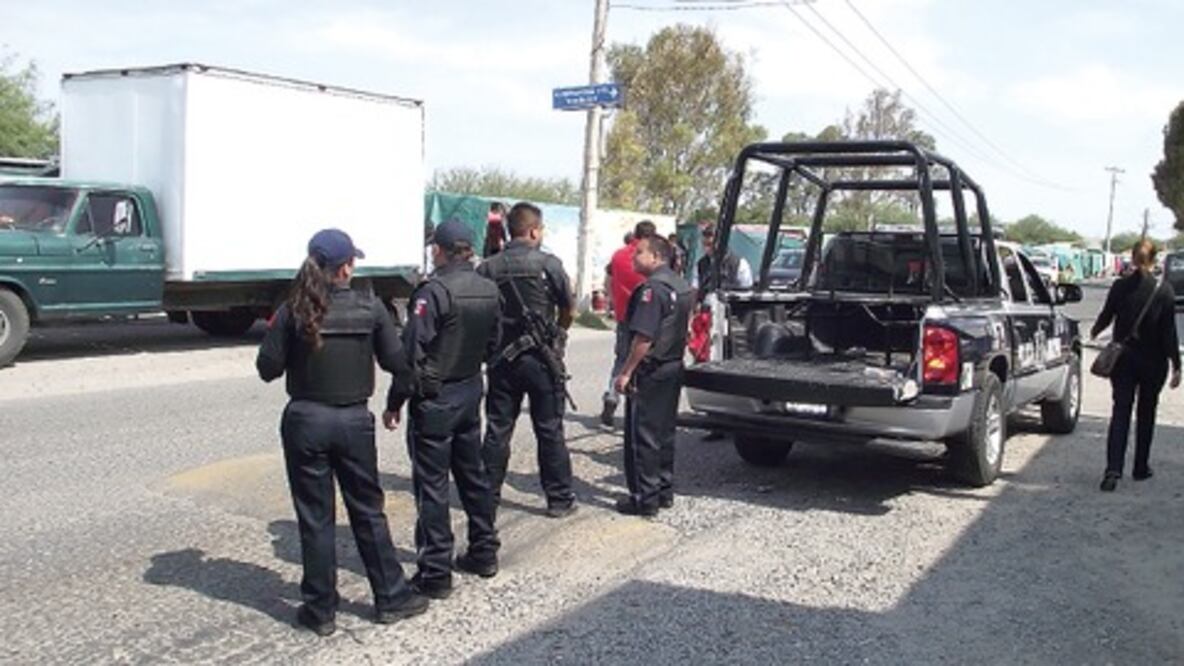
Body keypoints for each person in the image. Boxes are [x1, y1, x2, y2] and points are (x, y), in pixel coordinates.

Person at [256, 228, 428, 636]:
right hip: (353, 422)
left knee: (315, 518)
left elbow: (267, 369)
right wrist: (397, 401)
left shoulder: (292, 310)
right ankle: (390, 596)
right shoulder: (371, 309)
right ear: (346, 267)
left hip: (305, 421)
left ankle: (320, 610)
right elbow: (397, 363)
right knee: (368, 511)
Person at [384, 219, 502, 599]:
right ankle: (484, 551)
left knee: (432, 485)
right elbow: (495, 342)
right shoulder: (488, 288)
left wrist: (394, 403)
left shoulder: (432, 292)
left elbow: (411, 354)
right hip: (470, 389)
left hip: (435, 398)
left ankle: (436, 571)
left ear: (440, 250)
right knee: (473, 476)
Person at [478, 202, 578, 519]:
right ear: (534, 231)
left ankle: (487, 497)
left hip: (501, 361)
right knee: (549, 430)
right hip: (541, 360)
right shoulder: (549, 264)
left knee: (497, 430)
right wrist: (558, 334)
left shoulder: (488, 267)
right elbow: (569, 308)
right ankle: (559, 499)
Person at [1091, 240, 1182, 492]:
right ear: (1155, 261)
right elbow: (1169, 334)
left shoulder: (1120, 287)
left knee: (1120, 411)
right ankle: (1140, 467)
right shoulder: (1164, 291)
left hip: (1124, 361)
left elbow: (1106, 315)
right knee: (1146, 413)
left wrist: (1095, 331)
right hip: (1153, 363)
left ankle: (1113, 470)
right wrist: (1177, 365)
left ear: (1132, 257)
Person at [613, 235, 694, 516]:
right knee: (664, 432)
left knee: (643, 436)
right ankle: (663, 491)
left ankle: (644, 499)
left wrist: (626, 373)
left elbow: (644, 337)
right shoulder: (680, 285)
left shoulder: (653, 290)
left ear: (657, 257)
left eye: (639, 253)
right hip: (672, 365)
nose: (634, 257)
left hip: (652, 369)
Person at [600, 221, 657, 426]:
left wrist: (613, 301)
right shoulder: (651, 257)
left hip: (624, 316)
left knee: (621, 359)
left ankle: (611, 396)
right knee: (643, 360)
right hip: (647, 315)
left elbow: (608, 281)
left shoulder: (618, 255)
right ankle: (638, 409)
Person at [693, 224, 753, 301]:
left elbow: (747, 292)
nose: (707, 249)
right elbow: (695, 290)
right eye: (704, 244)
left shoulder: (740, 264)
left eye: (710, 244)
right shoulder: (700, 265)